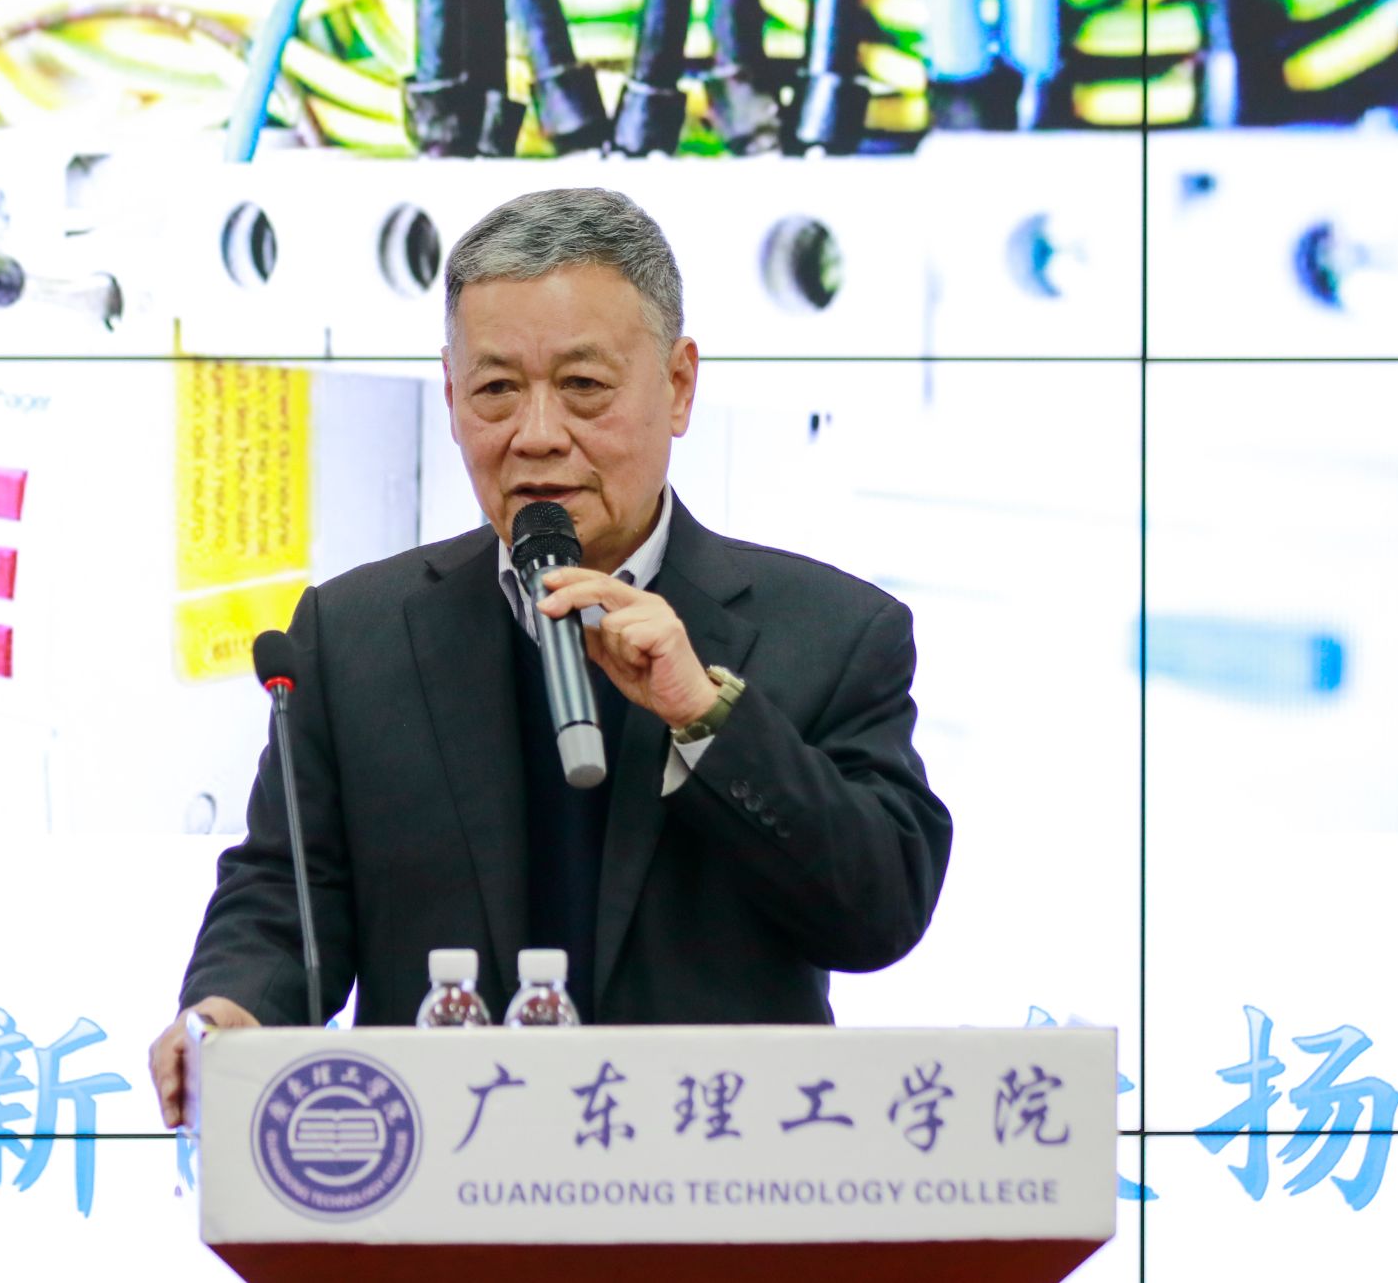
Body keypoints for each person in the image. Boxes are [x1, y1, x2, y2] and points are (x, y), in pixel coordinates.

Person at [150, 187, 951, 1127]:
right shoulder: (354, 632)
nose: (536, 434)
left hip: (715, 1171)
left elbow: (880, 909)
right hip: (442, 1169)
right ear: (451, 396)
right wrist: (228, 1012)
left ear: (679, 385)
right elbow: (284, 899)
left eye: (583, 387)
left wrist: (706, 715)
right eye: (496, 389)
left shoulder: (831, 630)